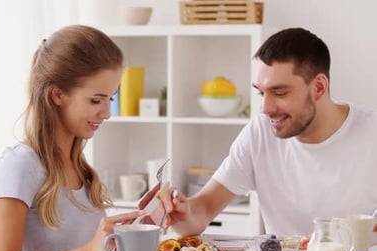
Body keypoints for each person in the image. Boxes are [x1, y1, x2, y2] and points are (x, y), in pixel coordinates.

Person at [156, 27, 377, 237]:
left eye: (279, 92)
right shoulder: (260, 133)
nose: (265, 109)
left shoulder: (371, 133)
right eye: (261, 93)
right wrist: (182, 213)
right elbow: (202, 210)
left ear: (318, 87)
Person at [0, 25, 144, 251]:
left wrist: (138, 225)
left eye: (110, 99)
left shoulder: (79, 166)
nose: (106, 113)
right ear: (57, 95)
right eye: (96, 100)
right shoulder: (20, 164)